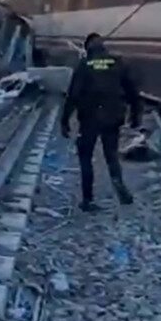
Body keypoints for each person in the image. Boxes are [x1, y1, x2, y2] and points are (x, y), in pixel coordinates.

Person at [61, 33, 140, 212]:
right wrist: (136, 117)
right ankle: (119, 185)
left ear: (88, 48)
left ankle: (88, 200)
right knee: (111, 155)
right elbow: (132, 92)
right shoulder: (118, 63)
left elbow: (73, 95)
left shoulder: (85, 65)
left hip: (90, 118)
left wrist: (64, 121)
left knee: (85, 157)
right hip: (113, 117)